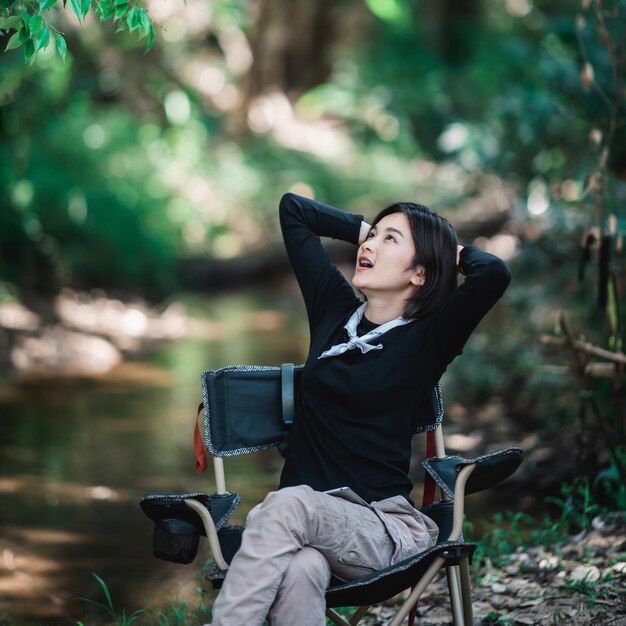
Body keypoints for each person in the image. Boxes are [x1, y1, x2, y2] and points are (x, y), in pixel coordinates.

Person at [209, 192, 511, 626]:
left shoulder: (428, 339)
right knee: (301, 568)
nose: (368, 246)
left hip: (380, 529)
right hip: (305, 532)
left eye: (390, 240)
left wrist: (447, 250)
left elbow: (493, 273)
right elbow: (294, 211)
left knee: (289, 504)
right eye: (371, 236)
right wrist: (363, 230)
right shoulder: (334, 311)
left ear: (419, 273)